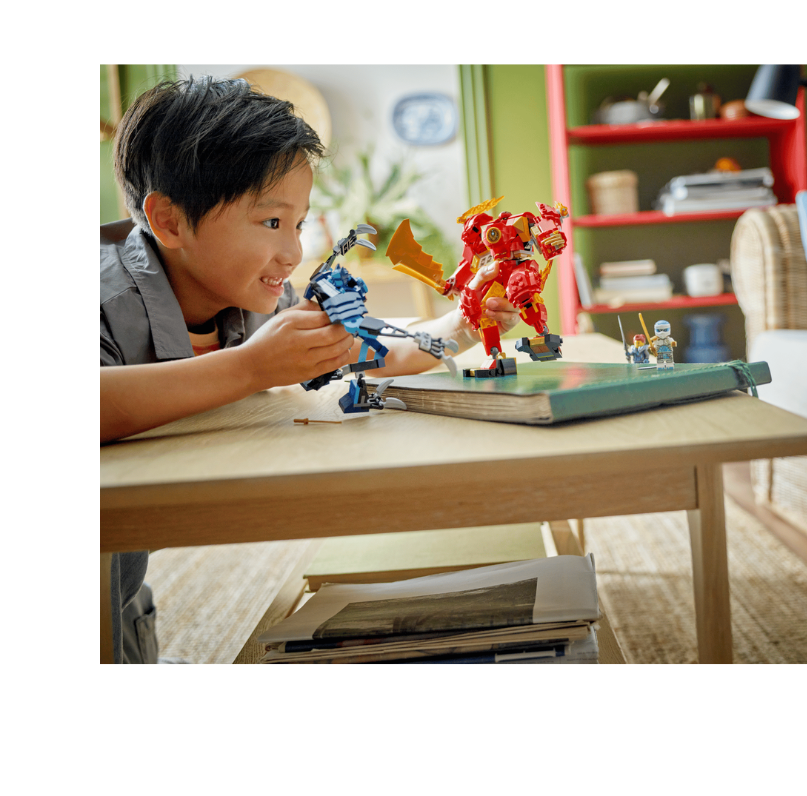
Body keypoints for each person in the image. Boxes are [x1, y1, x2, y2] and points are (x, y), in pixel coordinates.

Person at [101, 76, 518, 662]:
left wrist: (464, 323)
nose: (294, 252)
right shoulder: (103, 298)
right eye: (272, 223)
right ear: (169, 221)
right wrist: (250, 367)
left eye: (298, 225)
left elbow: (367, 349)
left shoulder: (254, 294)